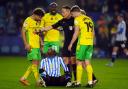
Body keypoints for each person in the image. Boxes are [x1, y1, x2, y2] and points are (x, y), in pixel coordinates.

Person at [42, 6, 77, 82]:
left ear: (68, 12)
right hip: (66, 43)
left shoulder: (75, 20)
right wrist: (42, 29)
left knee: (73, 61)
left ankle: (76, 80)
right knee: (65, 60)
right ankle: (69, 80)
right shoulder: (62, 21)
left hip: (74, 44)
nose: (62, 13)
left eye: (63, 12)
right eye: (62, 12)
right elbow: (52, 26)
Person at [68, 6, 96, 88]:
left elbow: (76, 33)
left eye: (72, 14)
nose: (72, 16)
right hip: (90, 43)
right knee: (87, 62)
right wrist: (90, 41)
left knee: (78, 61)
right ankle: (90, 82)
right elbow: (93, 33)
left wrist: (71, 43)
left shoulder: (78, 19)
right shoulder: (89, 19)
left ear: (76, 12)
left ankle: (78, 83)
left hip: (82, 43)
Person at [19, 8, 45, 86]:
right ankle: (38, 81)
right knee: (34, 63)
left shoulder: (37, 22)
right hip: (31, 45)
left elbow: (37, 33)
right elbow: (23, 32)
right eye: (40, 17)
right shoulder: (28, 20)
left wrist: (41, 42)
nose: (40, 19)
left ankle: (23, 78)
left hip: (37, 46)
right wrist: (26, 44)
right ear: (35, 15)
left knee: (36, 64)